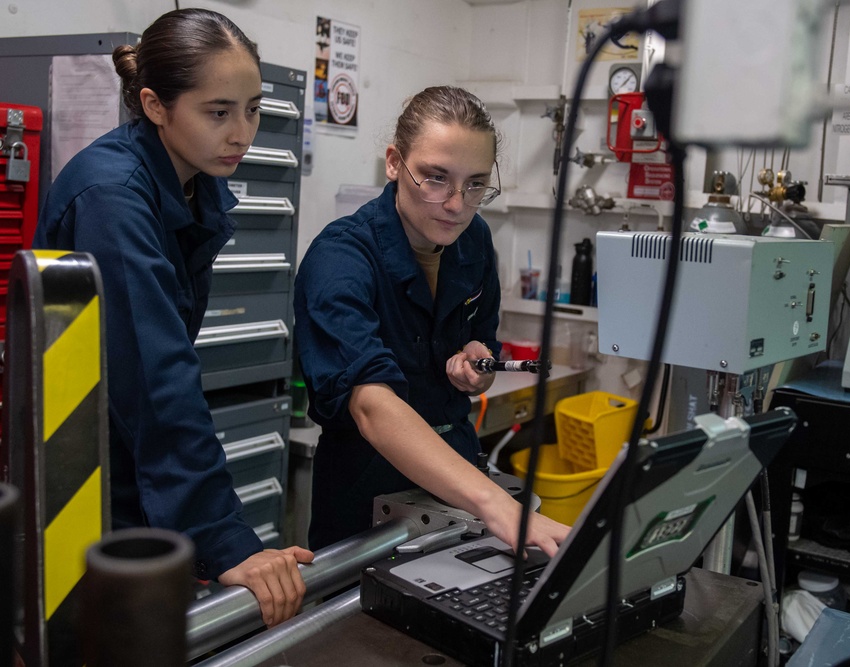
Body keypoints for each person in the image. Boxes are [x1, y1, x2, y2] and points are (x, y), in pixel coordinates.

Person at [33, 8, 313, 627]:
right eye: (219, 112)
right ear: (156, 105)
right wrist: (224, 538)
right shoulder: (112, 198)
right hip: (81, 468)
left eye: (253, 108)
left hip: (129, 454)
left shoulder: (191, 180)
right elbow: (158, 380)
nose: (244, 132)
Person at [294, 86, 570, 556]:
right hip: (368, 486)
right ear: (394, 163)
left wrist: (477, 362)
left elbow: (482, 337)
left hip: (457, 474)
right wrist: (494, 504)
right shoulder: (340, 258)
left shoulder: (473, 239)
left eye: (476, 184)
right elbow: (371, 406)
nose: (457, 205)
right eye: (436, 178)